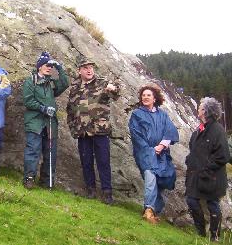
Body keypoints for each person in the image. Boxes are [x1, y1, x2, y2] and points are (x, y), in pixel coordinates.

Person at [66, 57, 120, 204]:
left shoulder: (102, 83)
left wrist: (113, 89)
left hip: (100, 130)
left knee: (103, 161)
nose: (89, 70)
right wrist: (73, 128)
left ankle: (107, 193)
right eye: (85, 68)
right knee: (86, 161)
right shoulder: (75, 88)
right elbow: (70, 111)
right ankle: (90, 190)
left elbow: (115, 93)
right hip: (82, 132)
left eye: (91, 67)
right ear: (79, 70)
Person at [128, 84, 179, 224]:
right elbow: (136, 134)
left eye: (148, 95)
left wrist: (161, 146)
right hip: (145, 152)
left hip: (162, 154)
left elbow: (170, 131)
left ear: (154, 98)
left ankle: (155, 209)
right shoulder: (137, 114)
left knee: (163, 180)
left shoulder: (163, 115)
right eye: (143, 95)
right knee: (150, 178)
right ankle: (148, 210)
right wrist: (151, 150)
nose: (145, 97)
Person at [185, 97, 230, 241]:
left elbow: (223, 156)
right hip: (196, 174)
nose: (198, 109)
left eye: (200, 107)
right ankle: (201, 232)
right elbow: (193, 148)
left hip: (212, 176)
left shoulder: (218, 130)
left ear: (205, 111)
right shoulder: (199, 129)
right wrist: (190, 159)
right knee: (191, 201)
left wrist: (206, 167)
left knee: (213, 204)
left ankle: (214, 236)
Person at [22, 51, 69, 189]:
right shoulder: (30, 81)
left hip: (50, 123)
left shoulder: (51, 83)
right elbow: (28, 101)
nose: (49, 68)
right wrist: (43, 108)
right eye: (46, 65)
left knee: (50, 153)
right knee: (33, 151)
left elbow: (65, 83)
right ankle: (29, 178)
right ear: (39, 66)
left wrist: (59, 67)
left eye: (51, 66)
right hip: (35, 122)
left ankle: (46, 181)